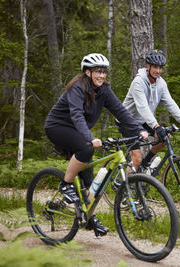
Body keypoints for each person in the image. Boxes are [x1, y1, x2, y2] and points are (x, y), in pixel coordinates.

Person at [44, 53, 148, 236]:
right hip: (58, 127)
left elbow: (120, 111)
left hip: (78, 131)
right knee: (86, 148)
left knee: (90, 183)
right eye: (97, 71)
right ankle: (66, 184)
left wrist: (138, 129)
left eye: (103, 72)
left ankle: (88, 218)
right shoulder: (77, 88)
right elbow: (76, 115)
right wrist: (90, 138)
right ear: (87, 72)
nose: (101, 75)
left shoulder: (104, 91)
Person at [120, 50, 180, 171]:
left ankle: (146, 163)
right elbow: (142, 107)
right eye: (155, 67)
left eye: (160, 68)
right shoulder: (138, 82)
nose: (158, 71)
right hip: (127, 121)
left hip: (141, 121)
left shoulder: (161, 83)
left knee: (166, 138)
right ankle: (123, 187)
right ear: (148, 66)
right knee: (136, 159)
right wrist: (156, 126)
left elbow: (170, 103)